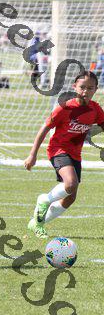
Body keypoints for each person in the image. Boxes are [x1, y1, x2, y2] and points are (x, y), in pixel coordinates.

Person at [25, 71, 104, 238]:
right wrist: (32, 155)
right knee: (70, 183)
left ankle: (37, 223)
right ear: (74, 87)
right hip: (58, 150)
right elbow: (45, 128)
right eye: (82, 87)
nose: (85, 91)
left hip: (75, 154)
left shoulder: (95, 109)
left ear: (96, 89)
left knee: (70, 197)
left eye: (90, 88)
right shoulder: (65, 107)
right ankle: (45, 200)